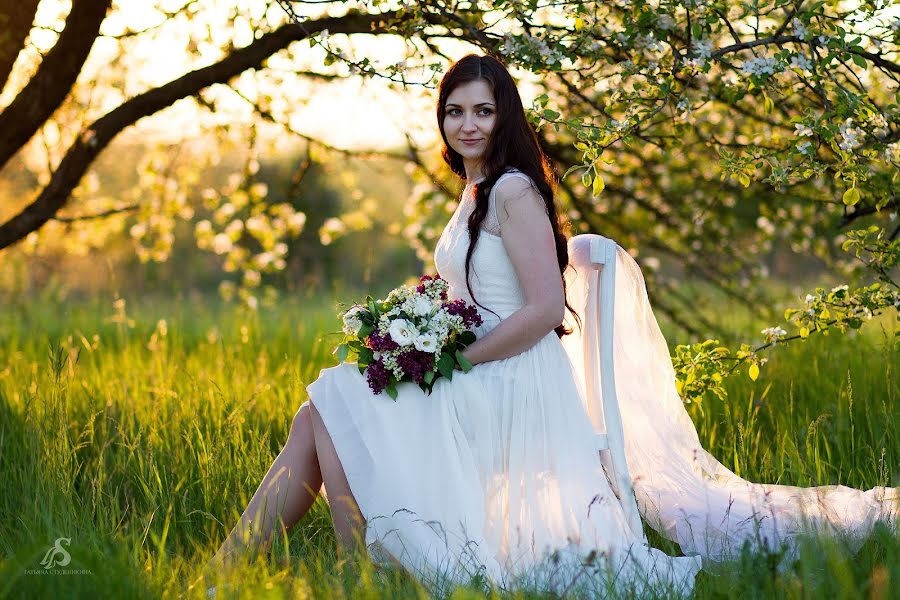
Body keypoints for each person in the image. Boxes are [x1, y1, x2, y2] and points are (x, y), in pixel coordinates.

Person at [206, 53, 897, 596]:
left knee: (333, 401)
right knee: (322, 409)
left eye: (482, 111)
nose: (468, 125)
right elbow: (462, 290)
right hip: (479, 365)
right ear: (442, 120)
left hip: (512, 379)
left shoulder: (511, 189)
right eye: (455, 112)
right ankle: (274, 570)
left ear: (504, 117)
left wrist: (455, 360)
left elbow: (541, 311)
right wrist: (410, 328)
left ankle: (310, 573)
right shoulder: (474, 189)